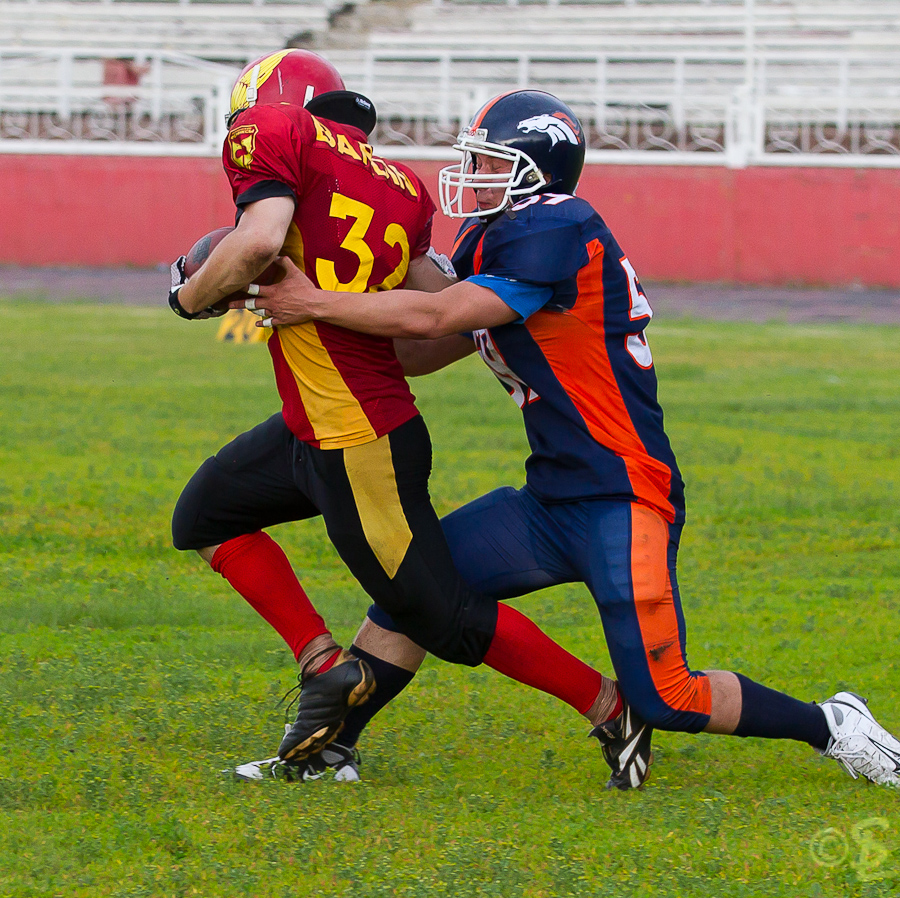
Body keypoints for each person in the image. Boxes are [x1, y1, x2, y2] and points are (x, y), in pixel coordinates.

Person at [241, 88, 900, 789]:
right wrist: (314, 300)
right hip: (550, 498)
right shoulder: (497, 238)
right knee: (417, 593)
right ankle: (328, 752)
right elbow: (418, 352)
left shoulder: (556, 223)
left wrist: (314, 302)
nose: (474, 176)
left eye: (490, 163)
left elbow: (435, 317)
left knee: (666, 696)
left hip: (623, 497)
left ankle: (832, 724)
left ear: (536, 169)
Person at [166, 52, 636, 784]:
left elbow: (257, 241)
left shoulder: (273, 129)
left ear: (269, 104)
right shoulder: (399, 184)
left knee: (440, 616)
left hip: (361, 436)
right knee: (204, 516)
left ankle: (609, 705)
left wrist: (189, 296)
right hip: (314, 422)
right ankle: (322, 663)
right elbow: (437, 312)